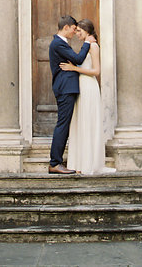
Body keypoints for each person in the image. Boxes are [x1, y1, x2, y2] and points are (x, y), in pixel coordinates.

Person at [60, 19, 114, 175]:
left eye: (79, 31)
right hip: (81, 87)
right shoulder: (85, 46)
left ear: (87, 31)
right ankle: (79, 163)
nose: (76, 34)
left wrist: (74, 69)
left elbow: (96, 71)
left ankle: (88, 163)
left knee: (88, 122)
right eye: (75, 31)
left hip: (89, 87)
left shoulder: (94, 46)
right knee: (80, 123)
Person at [47, 14, 90, 174]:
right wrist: (88, 42)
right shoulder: (58, 44)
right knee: (63, 125)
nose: (74, 33)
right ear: (66, 27)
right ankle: (55, 162)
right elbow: (77, 59)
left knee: (65, 124)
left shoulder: (61, 43)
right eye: (73, 29)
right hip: (65, 88)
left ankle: (58, 161)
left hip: (67, 88)